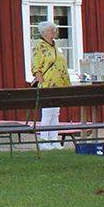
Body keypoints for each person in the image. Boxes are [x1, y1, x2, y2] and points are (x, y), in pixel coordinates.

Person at [29, 20, 70, 149]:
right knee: (47, 112)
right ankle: (44, 140)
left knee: (55, 113)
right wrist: (43, 83)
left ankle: (54, 139)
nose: (54, 31)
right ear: (44, 32)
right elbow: (36, 68)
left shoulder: (55, 46)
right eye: (51, 30)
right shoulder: (39, 46)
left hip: (59, 83)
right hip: (48, 83)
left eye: (54, 29)